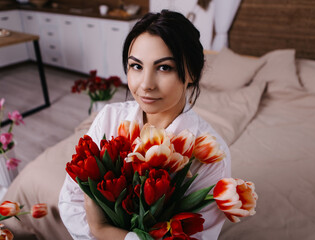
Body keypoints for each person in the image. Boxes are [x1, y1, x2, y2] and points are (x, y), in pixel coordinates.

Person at [59, 9, 231, 240]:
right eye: (136, 66)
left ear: (192, 72)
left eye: (164, 67)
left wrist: (103, 231)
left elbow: (199, 236)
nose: (146, 84)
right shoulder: (109, 118)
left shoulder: (210, 154)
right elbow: (69, 200)